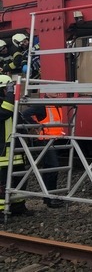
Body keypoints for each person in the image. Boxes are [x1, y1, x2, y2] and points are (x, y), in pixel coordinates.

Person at [21, 104, 65, 208]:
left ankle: (49, 197)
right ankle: (50, 197)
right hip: (44, 140)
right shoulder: (42, 106)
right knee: (53, 167)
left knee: (50, 168)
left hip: (53, 139)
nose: (57, 92)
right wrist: (36, 125)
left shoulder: (56, 105)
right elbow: (25, 114)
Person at [0, 75, 31, 216]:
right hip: (2, 154)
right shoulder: (6, 105)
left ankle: (18, 207)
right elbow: (5, 112)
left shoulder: (11, 105)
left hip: (15, 151)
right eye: (7, 89)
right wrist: (12, 93)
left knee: (20, 179)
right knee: (2, 184)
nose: (9, 92)